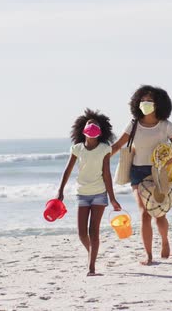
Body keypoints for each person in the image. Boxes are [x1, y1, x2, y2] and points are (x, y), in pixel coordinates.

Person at [112, 85, 172, 265]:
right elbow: (117, 145)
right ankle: (148, 254)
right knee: (144, 212)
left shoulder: (166, 126)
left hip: (158, 173)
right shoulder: (134, 124)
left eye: (150, 101)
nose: (146, 103)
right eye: (143, 100)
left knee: (159, 214)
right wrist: (100, 158)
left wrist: (166, 163)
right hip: (137, 172)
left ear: (158, 103)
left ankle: (165, 241)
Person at [56, 109, 122, 276]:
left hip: (99, 194)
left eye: (96, 124)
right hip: (82, 194)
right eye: (89, 123)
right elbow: (67, 170)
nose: (92, 125)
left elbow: (107, 174)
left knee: (94, 231)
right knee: (81, 233)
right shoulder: (77, 149)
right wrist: (60, 191)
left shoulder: (104, 149)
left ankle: (91, 267)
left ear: (100, 131)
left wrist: (113, 199)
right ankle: (92, 253)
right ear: (83, 129)